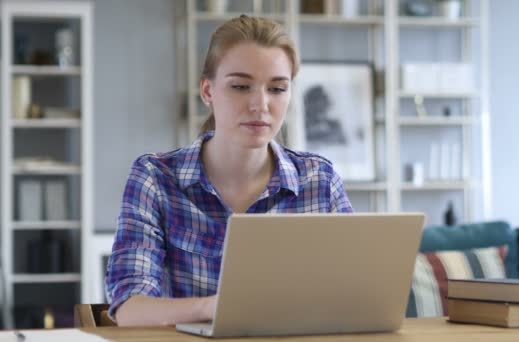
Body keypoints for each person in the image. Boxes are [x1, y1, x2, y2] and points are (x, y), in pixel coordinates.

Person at [105, 15, 354, 327]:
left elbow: (352, 294)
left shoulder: (319, 179)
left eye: (277, 89)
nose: (260, 104)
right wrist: (216, 307)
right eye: (240, 86)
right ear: (208, 91)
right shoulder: (155, 177)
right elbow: (130, 308)